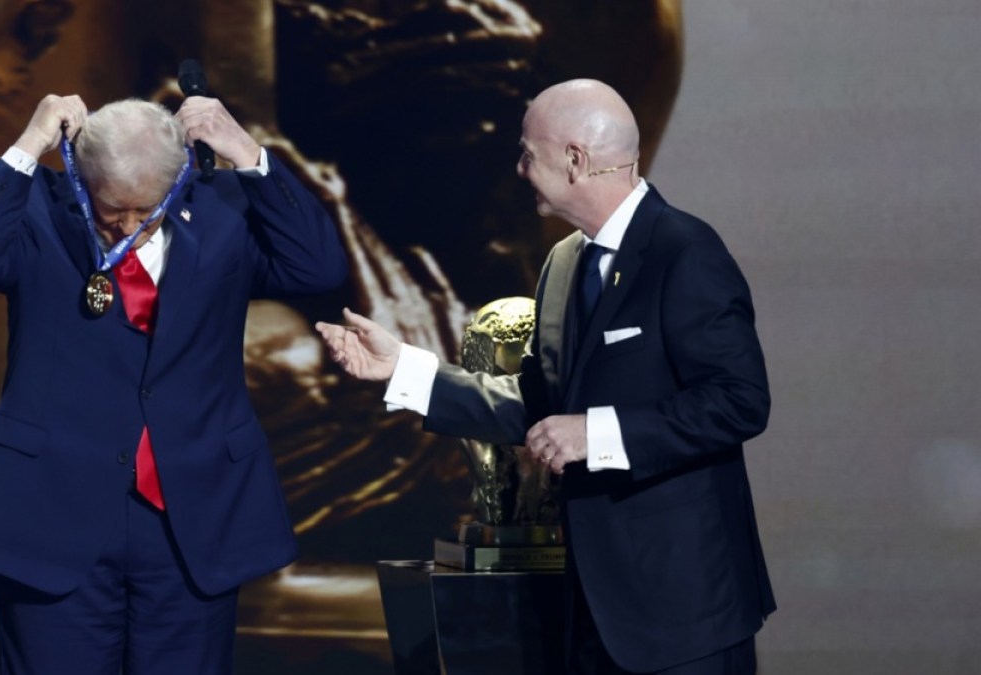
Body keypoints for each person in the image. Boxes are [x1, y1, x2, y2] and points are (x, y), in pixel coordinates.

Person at [316, 79, 774, 674]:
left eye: (528, 154)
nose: (519, 169)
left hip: (684, 614)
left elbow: (739, 401)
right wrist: (403, 368)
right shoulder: (562, 264)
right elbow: (537, 404)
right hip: (588, 610)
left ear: (576, 161)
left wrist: (595, 433)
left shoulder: (684, 251)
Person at [0, 91, 347, 674]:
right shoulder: (38, 213)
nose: (128, 225)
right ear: (80, 175)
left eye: (146, 211)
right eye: (112, 210)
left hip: (190, 519)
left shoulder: (223, 214)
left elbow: (318, 267)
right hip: (53, 512)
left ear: (179, 181)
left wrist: (246, 152)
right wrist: (30, 143)